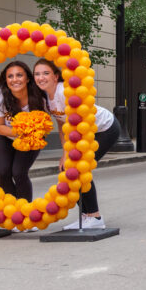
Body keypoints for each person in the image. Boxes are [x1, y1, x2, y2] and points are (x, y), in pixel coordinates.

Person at [33, 59, 119, 230]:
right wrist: (65, 153)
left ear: (56, 77)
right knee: (69, 171)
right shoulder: (45, 98)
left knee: (79, 170)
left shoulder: (64, 92)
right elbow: (61, 123)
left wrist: (72, 154)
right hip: (80, 133)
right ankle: (85, 216)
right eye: (37, 74)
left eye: (45, 73)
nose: (41, 77)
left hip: (104, 128)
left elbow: (79, 122)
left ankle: (95, 217)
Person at [0, 61, 48, 202]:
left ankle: (25, 212)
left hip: (32, 137)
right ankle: (13, 211)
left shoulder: (40, 95)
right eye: (10, 76)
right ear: (6, 80)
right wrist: (23, 130)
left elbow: (45, 124)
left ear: (27, 78)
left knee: (19, 172)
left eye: (19, 75)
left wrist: (30, 134)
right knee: (3, 172)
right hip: (4, 135)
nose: (15, 79)